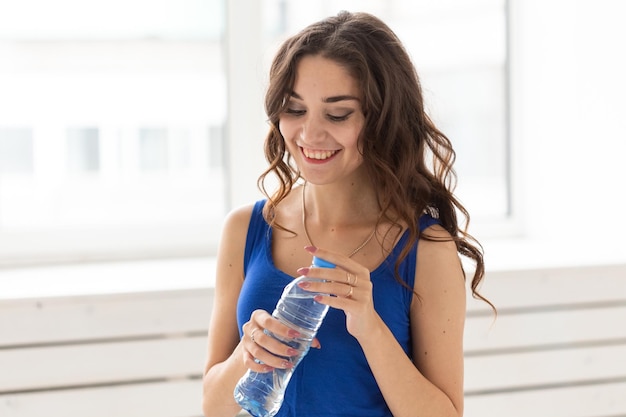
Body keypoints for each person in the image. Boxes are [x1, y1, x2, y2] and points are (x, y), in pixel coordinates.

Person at [202, 10, 492, 417]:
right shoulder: (245, 229)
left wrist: (370, 328)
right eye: (294, 109)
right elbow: (213, 408)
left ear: (382, 119)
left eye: (337, 114)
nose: (309, 135)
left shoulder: (425, 249)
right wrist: (243, 358)